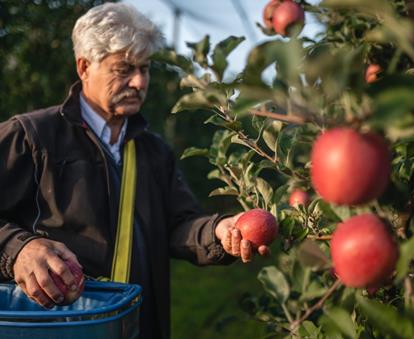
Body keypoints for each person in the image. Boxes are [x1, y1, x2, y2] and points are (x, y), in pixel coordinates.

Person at [0, 3, 269, 338]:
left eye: (145, 68)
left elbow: (179, 225)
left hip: (135, 325)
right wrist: (18, 249)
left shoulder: (153, 151)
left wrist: (219, 232)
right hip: (54, 328)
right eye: (123, 69)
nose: (140, 81)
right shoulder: (32, 136)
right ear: (84, 67)